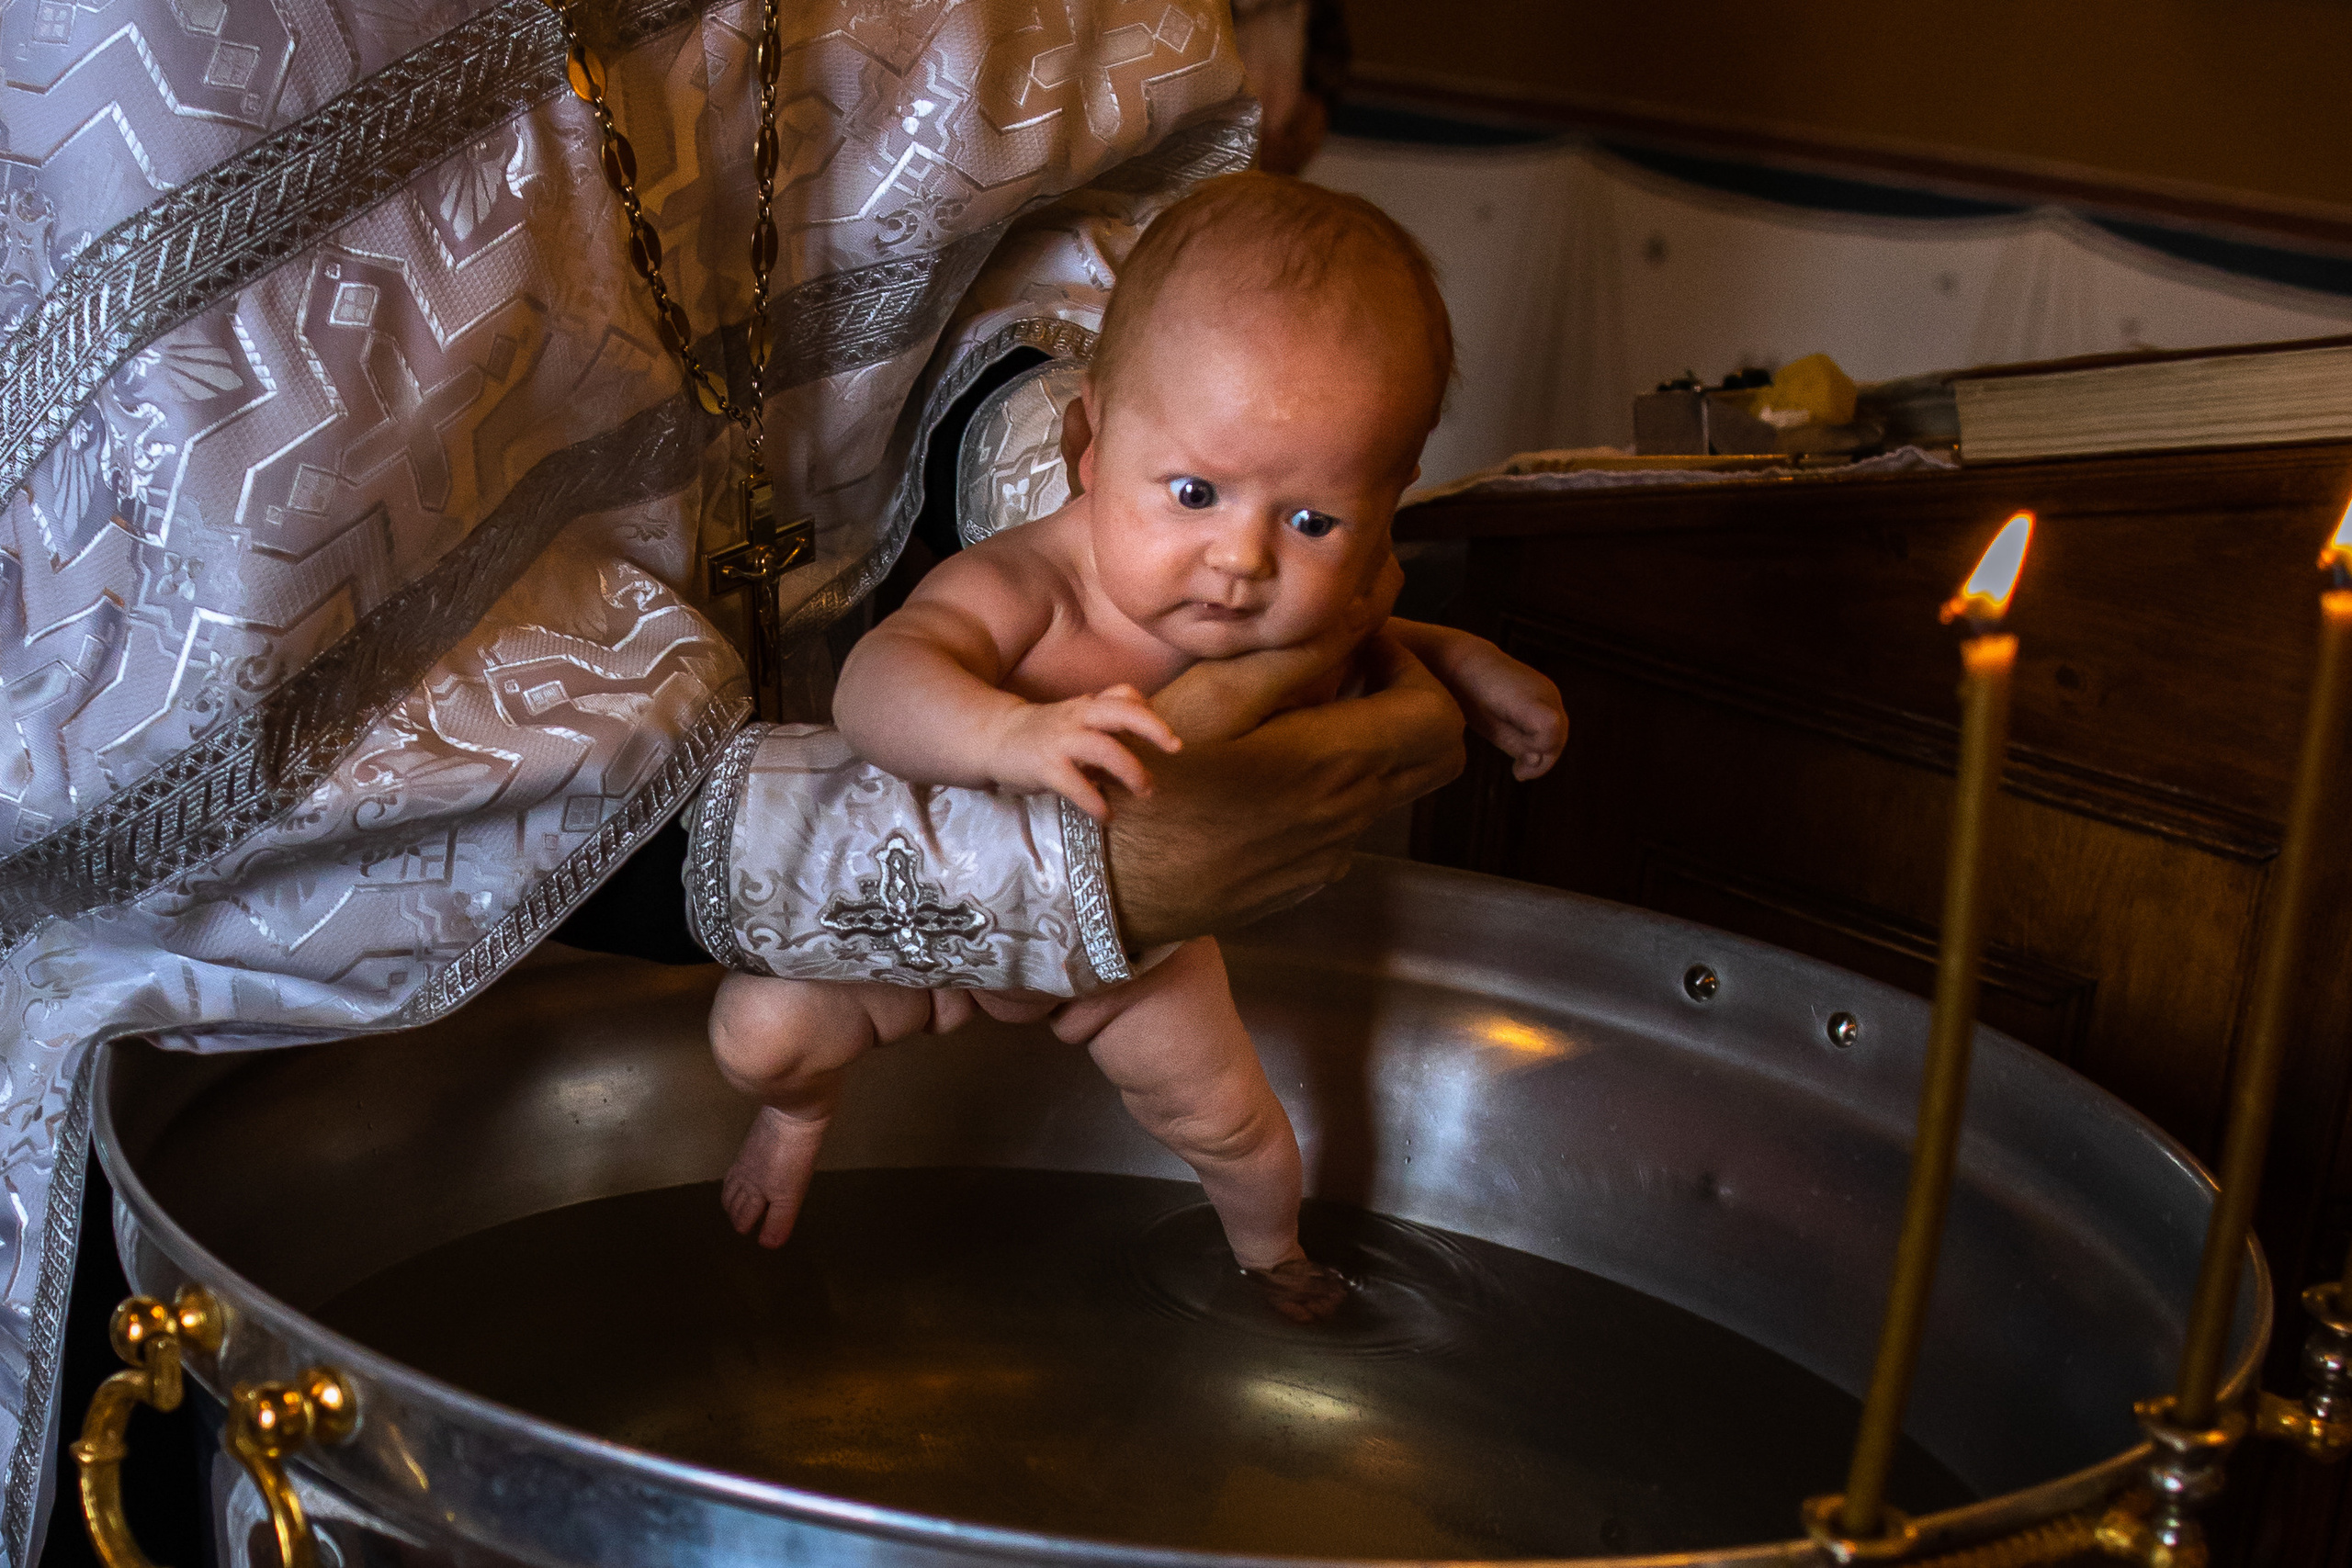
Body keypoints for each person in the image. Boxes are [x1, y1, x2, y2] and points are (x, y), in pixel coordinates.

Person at [0, 5, 1463, 1559]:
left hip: (958, 841)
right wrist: (1039, 867)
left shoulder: (1203, 525)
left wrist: (1264, 613)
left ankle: (1278, 1261)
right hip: (290, 1013)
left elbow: (1083, 284)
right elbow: (195, 651)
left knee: (1222, 1122)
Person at [707, 175, 1567, 1321]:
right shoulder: (1033, 584)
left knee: (1229, 1120)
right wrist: (1012, 729)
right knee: (756, 1035)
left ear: (1389, 501)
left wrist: (1463, 664)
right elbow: (878, 688)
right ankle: (801, 1115)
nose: (1242, 562)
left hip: (1137, 940)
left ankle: (1277, 1264)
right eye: (1195, 491)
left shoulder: (1268, 603)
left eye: (1312, 520)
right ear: (1088, 439)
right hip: (914, 923)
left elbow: (1357, 633)